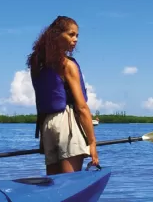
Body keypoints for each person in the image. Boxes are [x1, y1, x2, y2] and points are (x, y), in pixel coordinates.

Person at [26, 15, 99, 175]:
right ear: (57, 35)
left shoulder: (37, 64)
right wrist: (92, 143)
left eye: (77, 35)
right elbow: (81, 107)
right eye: (71, 34)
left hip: (47, 126)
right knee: (69, 184)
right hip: (67, 123)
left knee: (54, 185)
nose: (75, 39)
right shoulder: (67, 65)